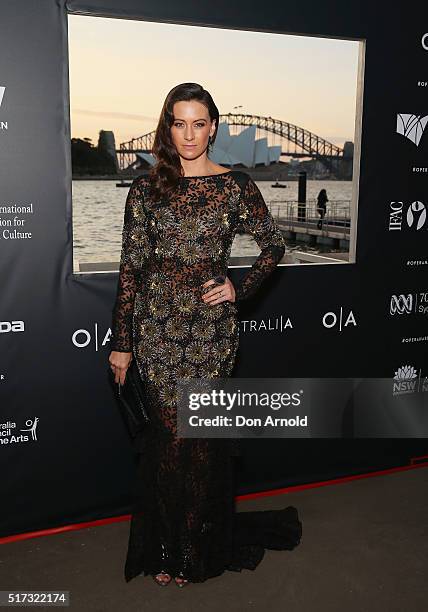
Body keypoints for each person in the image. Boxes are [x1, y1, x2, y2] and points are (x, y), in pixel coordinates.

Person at [108, 82, 302, 587]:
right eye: (179, 122)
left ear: (213, 127)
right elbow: (130, 269)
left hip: (210, 334)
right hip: (155, 331)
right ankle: (168, 548)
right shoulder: (146, 189)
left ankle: (195, 548)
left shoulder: (234, 186)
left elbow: (273, 245)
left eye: (199, 123)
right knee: (167, 442)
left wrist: (240, 288)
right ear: (166, 126)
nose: (189, 133)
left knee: (199, 442)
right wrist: (122, 342)